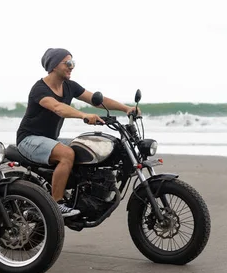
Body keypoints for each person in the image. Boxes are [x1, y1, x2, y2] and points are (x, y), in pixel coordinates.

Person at [16, 48, 139, 217]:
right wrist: (83, 115)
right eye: (68, 63)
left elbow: (97, 101)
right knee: (67, 154)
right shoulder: (40, 89)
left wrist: (126, 109)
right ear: (53, 65)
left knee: (86, 147)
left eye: (72, 63)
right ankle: (56, 203)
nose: (71, 66)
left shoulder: (69, 86)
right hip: (28, 140)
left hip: (50, 139)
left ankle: (82, 194)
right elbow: (58, 107)